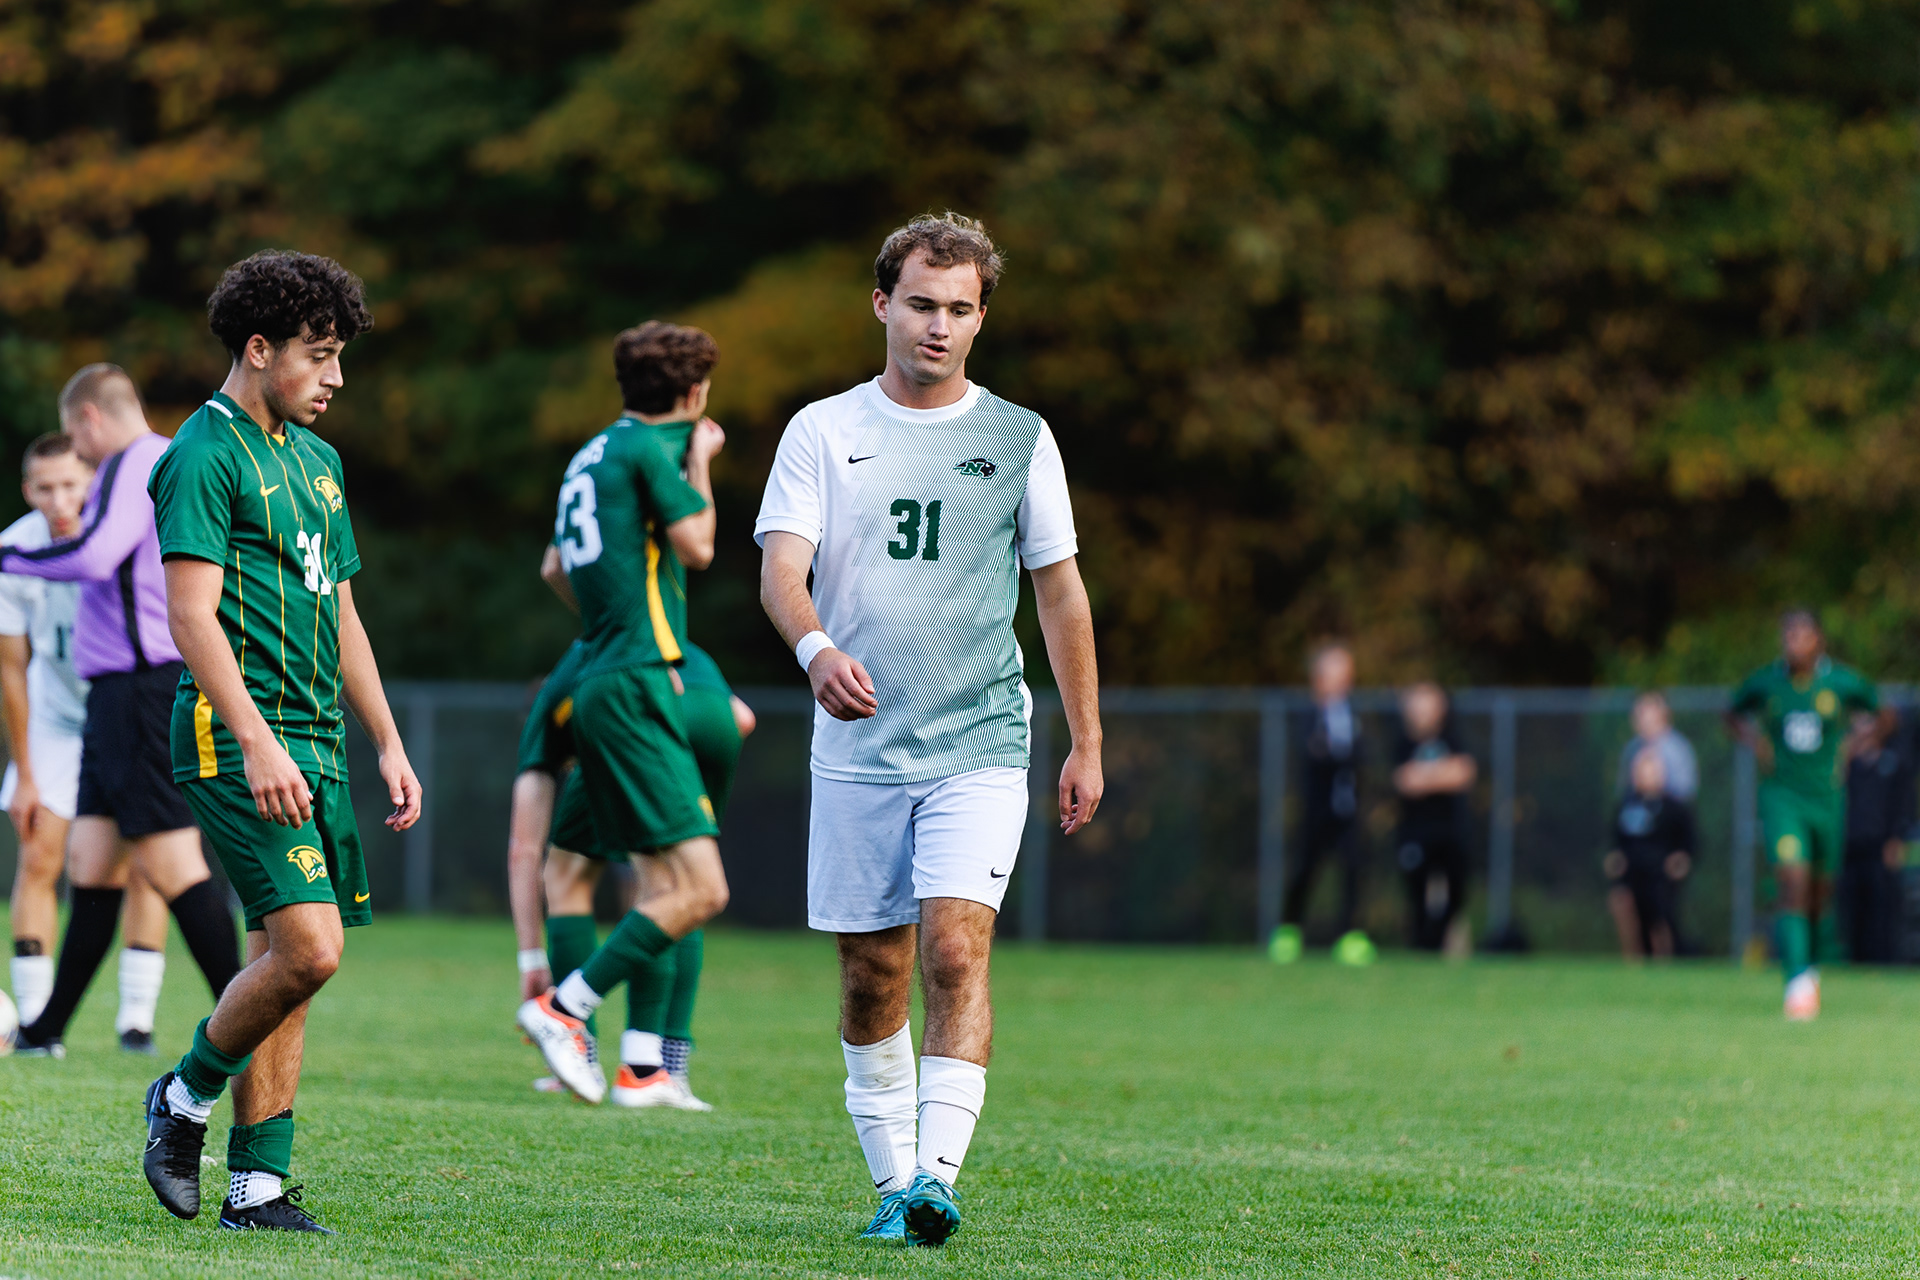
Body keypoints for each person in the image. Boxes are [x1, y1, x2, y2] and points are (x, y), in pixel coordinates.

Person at [756, 213, 1103, 1248]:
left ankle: (934, 1182)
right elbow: (781, 571)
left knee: (955, 949)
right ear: (882, 305)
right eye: (920, 304)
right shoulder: (823, 430)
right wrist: (817, 650)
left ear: (982, 317)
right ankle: (889, 1180)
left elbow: (1060, 594)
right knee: (874, 972)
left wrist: (1087, 740)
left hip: (980, 738)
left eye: (959, 308)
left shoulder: (1019, 436)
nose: (937, 326)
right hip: (859, 749)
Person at [141, 250, 422, 1232]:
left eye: (339, 355)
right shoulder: (202, 454)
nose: (335, 376)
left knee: (280, 964)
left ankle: (256, 1186)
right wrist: (258, 742)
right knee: (310, 950)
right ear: (259, 349)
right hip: (236, 738)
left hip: (320, 740)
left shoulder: (319, 462)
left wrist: (387, 739)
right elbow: (191, 617)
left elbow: (341, 613)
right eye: (320, 354)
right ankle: (182, 1095)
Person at [515, 321, 733, 1114]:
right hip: (639, 686)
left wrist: (609, 623)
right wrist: (701, 460)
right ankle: (565, 1008)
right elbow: (699, 545)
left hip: (602, 680)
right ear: (695, 392)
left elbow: (553, 565)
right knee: (701, 890)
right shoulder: (649, 448)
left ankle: (642, 1065)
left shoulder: (592, 452)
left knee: (655, 880)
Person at [6, 367, 243, 1059]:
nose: (78, 455)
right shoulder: (161, 456)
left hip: (141, 690)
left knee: (173, 863)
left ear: (87, 418)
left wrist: (7, 555)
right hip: (115, 698)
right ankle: (44, 1030)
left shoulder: (135, 464)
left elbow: (95, 554)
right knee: (90, 864)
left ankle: (248, 1013)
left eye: (75, 438)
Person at [2, 433, 171, 1051]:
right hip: (55, 721)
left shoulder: (120, 534)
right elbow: (11, 669)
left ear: (92, 484)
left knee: (147, 862)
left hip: (124, 713)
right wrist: (25, 773)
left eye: (71, 485)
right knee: (40, 854)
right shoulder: (16, 549)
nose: (59, 499)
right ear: (28, 491)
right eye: (45, 488)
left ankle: (136, 1022)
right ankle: (37, 1022)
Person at [1725, 610, 1888, 1020]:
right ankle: (1796, 981)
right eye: (1788, 636)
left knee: (1818, 892)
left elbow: (1884, 714)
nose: (1794, 643)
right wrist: (1755, 743)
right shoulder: (1767, 682)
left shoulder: (1841, 682)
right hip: (1782, 797)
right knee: (1791, 879)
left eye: (1802, 636)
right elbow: (1733, 712)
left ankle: (1809, 966)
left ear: (1819, 641)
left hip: (1827, 799)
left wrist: (1854, 745)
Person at [1271, 641, 1373, 966]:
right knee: (1305, 869)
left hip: (1348, 809)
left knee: (1352, 870)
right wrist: (1338, 756)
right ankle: (1289, 930)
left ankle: (1350, 934)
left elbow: (1362, 757)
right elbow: (1313, 755)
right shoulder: (1308, 714)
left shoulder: (1354, 714)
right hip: (1316, 809)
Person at [1392, 682, 1476, 954]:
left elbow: (1464, 773)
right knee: (1417, 895)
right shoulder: (1402, 741)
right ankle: (1422, 946)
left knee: (1456, 891)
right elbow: (1405, 781)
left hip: (1450, 830)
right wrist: (1442, 774)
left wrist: (1424, 776)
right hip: (1415, 832)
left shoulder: (1453, 737)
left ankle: (1435, 940)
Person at [1602, 748, 1695, 960]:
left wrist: (1680, 860)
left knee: (1660, 913)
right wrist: (1614, 860)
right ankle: (1633, 960)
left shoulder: (1674, 808)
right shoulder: (1626, 805)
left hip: (1660, 873)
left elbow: (1688, 843)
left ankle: (1664, 960)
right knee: (1621, 900)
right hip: (1631, 871)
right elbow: (1616, 842)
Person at [1839, 709, 1914, 964]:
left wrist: (1896, 840)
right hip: (1849, 847)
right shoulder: (1847, 762)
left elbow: (1903, 805)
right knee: (1852, 910)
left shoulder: (1893, 763)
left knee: (1882, 910)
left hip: (1880, 848)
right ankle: (1854, 962)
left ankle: (1884, 962)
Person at [1615, 691, 1698, 803]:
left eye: (1643, 713)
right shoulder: (1632, 749)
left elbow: (1685, 790)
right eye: (1637, 714)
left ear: (1660, 715)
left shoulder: (1676, 749)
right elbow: (1624, 790)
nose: (1639, 719)